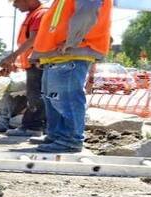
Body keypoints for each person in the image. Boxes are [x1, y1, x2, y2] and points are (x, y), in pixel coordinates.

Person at [30, 0, 112, 153]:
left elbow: (87, 12)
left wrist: (73, 41)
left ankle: (70, 140)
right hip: (59, 53)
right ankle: (57, 135)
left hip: (71, 52)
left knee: (67, 98)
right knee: (53, 99)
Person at [0, 0, 48, 138]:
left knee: (36, 96)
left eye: (16, 1)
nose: (14, 5)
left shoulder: (40, 13)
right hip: (34, 62)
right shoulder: (34, 14)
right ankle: (36, 126)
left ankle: (33, 127)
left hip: (38, 62)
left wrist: (12, 56)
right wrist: (15, 63)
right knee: (35, 95)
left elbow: (33, 40)